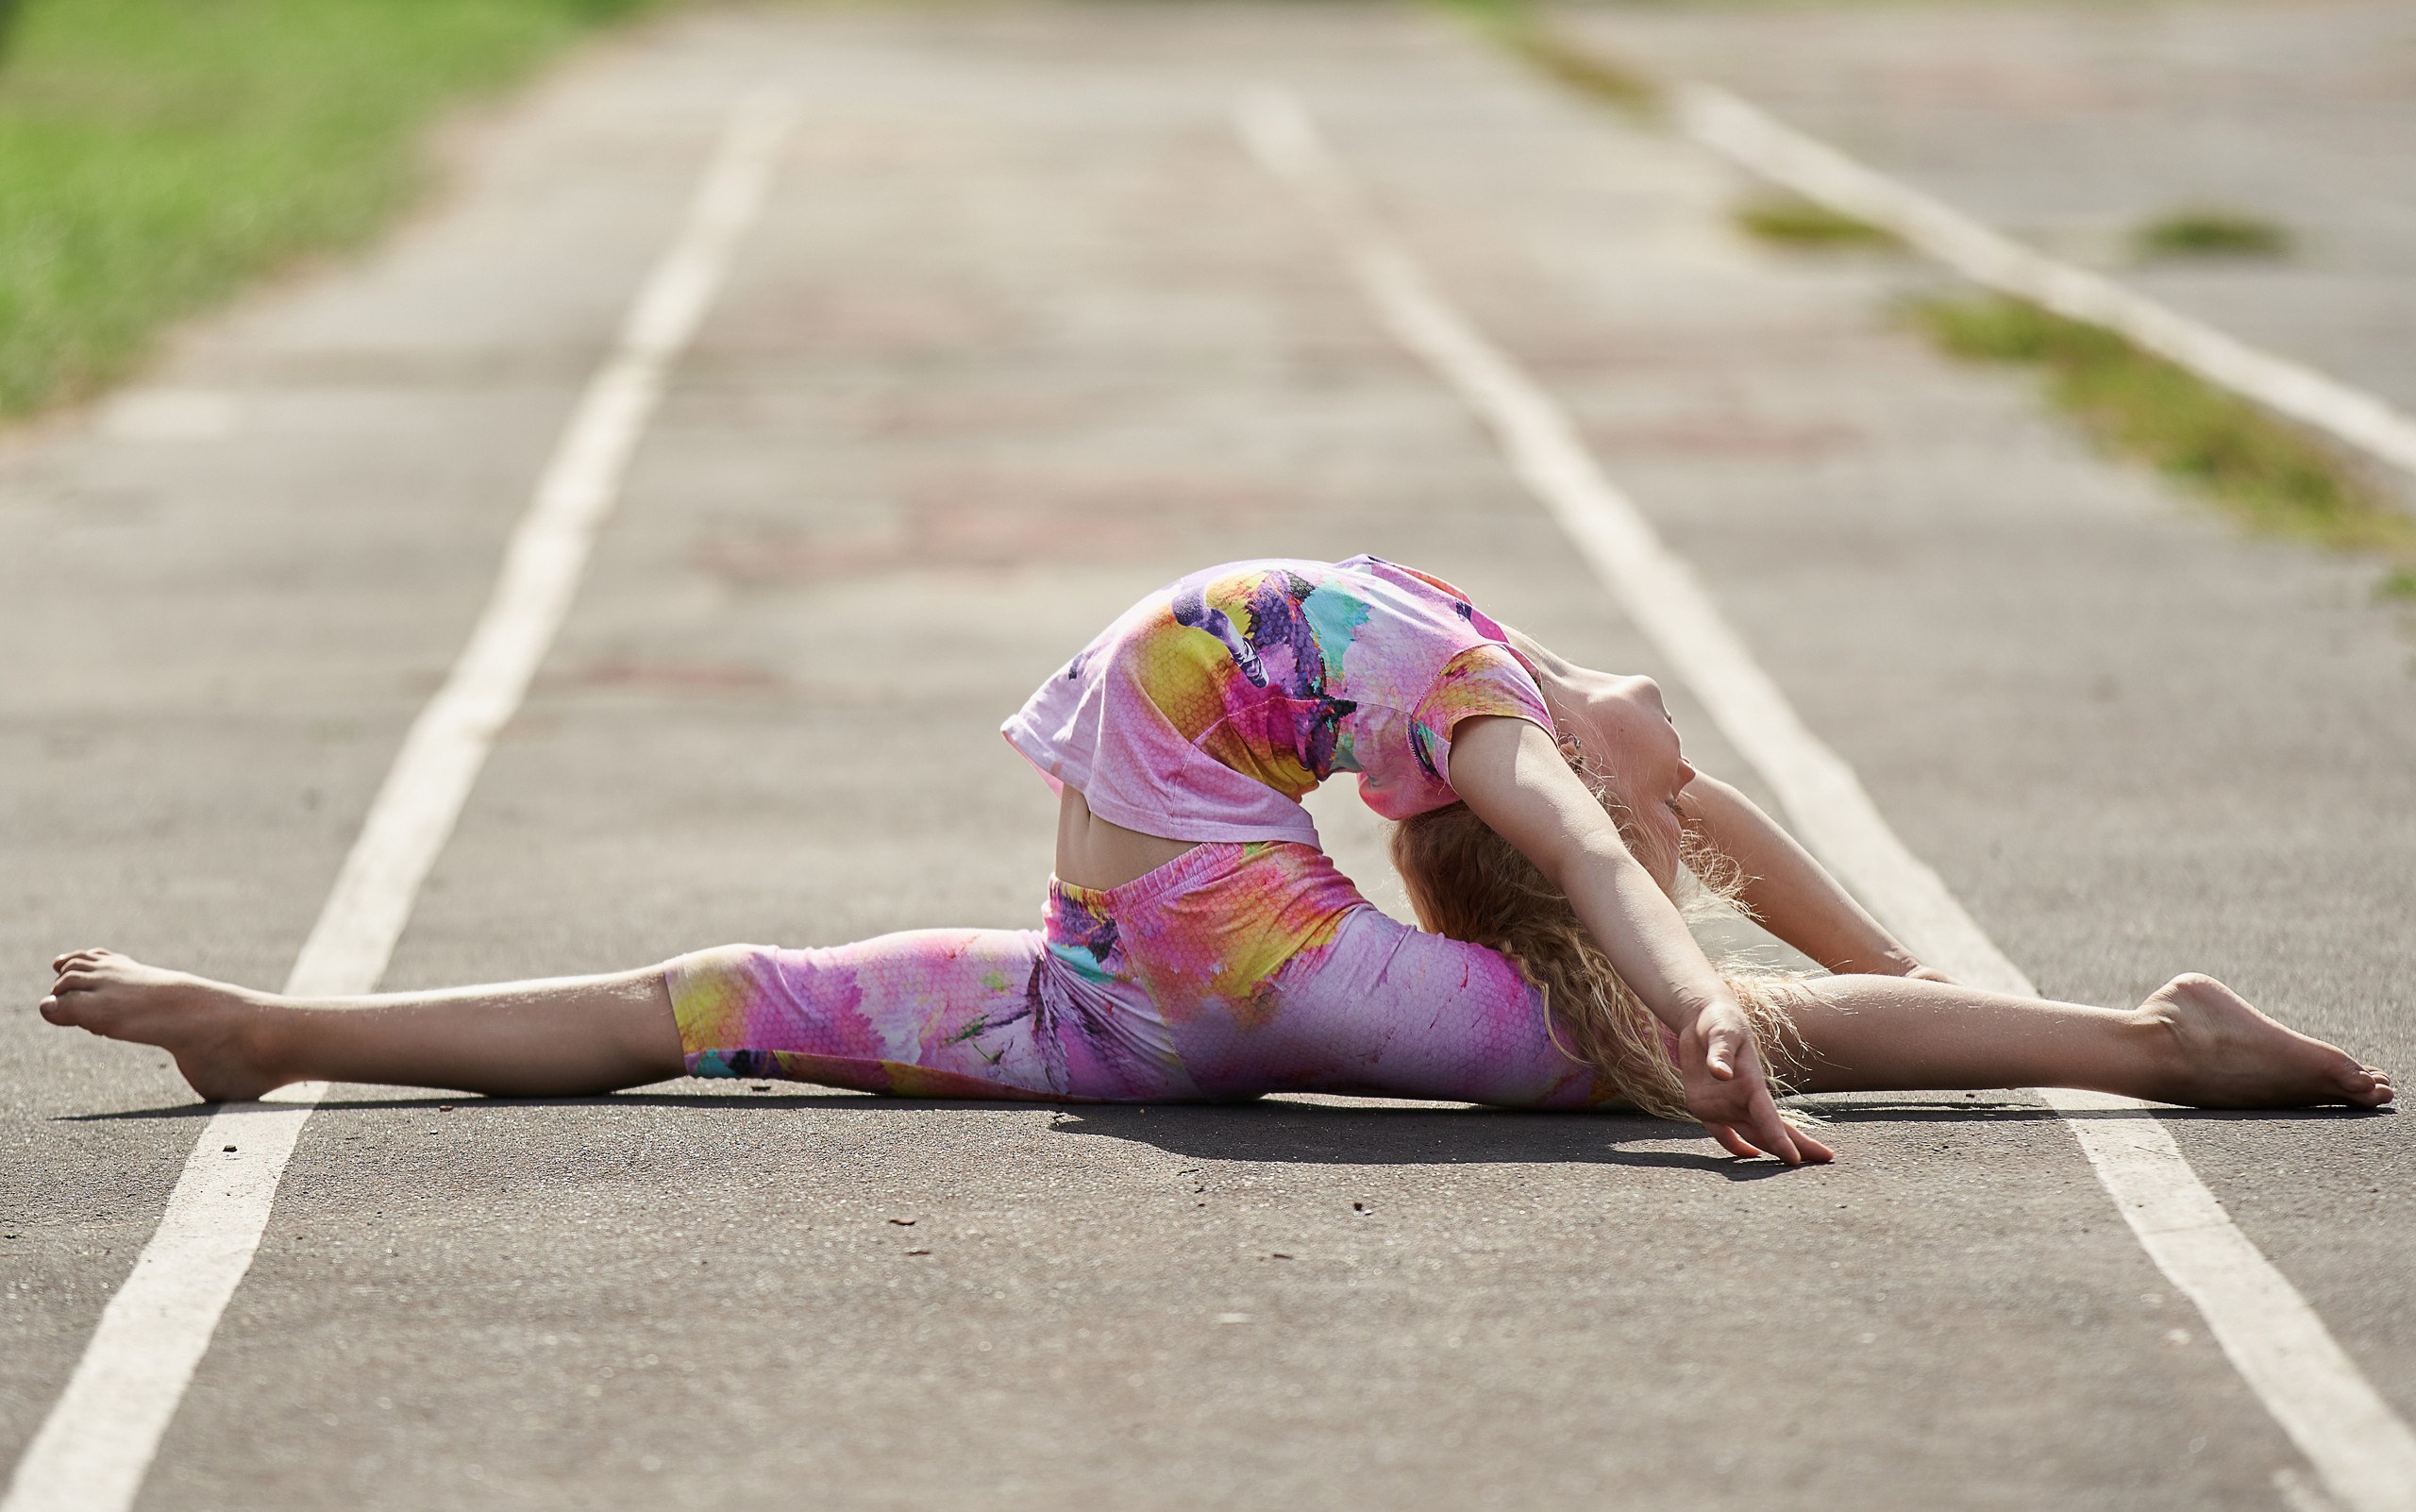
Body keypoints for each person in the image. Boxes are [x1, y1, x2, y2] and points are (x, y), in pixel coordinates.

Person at [42, 556, 2392, 1164]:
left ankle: (2156, 1039)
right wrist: (1768, 975)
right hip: (1113, 997)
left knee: (1708, 1013)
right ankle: (274, 1027)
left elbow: (1618, 846)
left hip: (1242, 972)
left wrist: (1707, 989)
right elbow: (1643, 841)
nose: (1669, 758)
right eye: (1668, 752)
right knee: (719, 986)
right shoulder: (1453, 669)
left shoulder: (1472, 713)